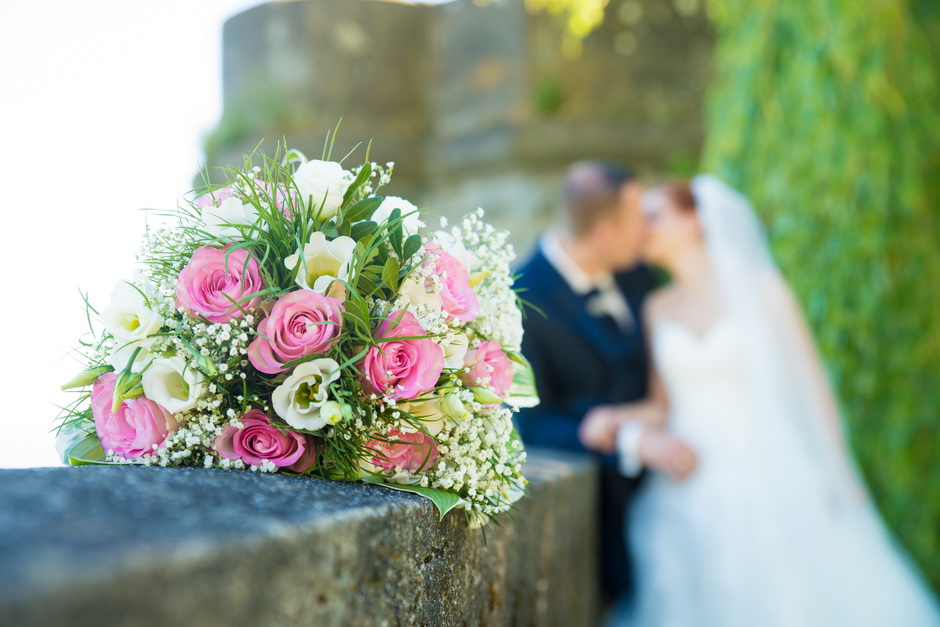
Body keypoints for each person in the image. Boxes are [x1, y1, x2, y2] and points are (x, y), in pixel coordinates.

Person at [580, 175, 940, 626]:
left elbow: (813, 388)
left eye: (655, 217)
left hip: (768, 472)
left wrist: (839, 470)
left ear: (694, 221)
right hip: (689, 479)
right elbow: (661, 404)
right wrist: (615, 417)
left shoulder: (763, 291)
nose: (644, 228)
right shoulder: (656, 307)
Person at [514, 161, 695, 604]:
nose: (646, 230)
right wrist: (630, 438)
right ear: (606, 234)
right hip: (609, 514)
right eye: (639, 220)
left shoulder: (636, 271)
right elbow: (534, 426)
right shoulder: (520, 297)